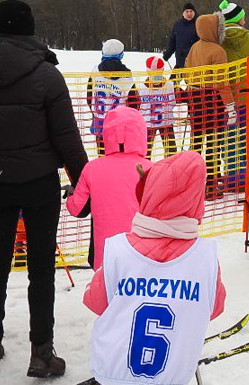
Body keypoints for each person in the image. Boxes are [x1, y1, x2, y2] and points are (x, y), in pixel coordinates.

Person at [0, 0, 89, 377]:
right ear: (29, 30)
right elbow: (66, 136)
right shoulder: (47, 75)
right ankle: (42, 351)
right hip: (38, 183)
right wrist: (84, 179)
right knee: (40, 270)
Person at [82, 150, 226, 385]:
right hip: (172, 377)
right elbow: (214, 307)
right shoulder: (205, 258)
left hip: (113, 375)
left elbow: (93, 301)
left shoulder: (119, 249)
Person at [65, 107, 153, 270]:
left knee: (104, 294)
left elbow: (76, 209)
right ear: (141, 134)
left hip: (104, 255)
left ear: (107, 135)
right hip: (142, 253)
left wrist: (71, 194)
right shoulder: (150, 169)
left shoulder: (92, 168)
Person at [184, 12, 235, 197]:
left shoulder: (194, 47)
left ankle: (193, 182)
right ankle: (211, 186)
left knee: (196, 142)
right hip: (212, 100)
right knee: (213, 144)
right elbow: (222, 82)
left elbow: (186, 73)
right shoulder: (218, 51)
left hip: (194, 99)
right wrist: (230, 106)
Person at [217, 0, 249, 192]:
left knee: (226, 138)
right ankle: (240, 178)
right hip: (245, 97)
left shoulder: (218, 39)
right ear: (239, 18)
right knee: (242, 137)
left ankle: (229, 175)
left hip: (223, 98)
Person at [87, 39, 139, 155]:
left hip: (100, 122)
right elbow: (133, 102)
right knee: (118, 155)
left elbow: (89, 96)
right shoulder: (126, 75)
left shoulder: (95, 71)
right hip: (119, 124)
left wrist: (95, 112)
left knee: (102, 154)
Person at [139, 56, 178, 160]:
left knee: (145, 153)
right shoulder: (170, 85)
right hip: (166, 122)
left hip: (148, 123)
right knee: (171, 152)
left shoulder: (140, 87)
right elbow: (173, 103)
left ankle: (145, 173)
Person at [162, 2, 199, 69]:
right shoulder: (178, 24)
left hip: (194, 62)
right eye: (187, 11)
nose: (189, 14)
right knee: (173, 79)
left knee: (190, 79)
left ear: (194, 13)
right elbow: (172, 41)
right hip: (180, 61)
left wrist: (186, 52)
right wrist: (168, 53)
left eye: (191, 11)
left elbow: (199, 43)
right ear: (183, 13)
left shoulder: (198, 24)